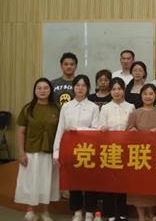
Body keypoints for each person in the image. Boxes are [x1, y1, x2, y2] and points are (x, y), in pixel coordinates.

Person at [53, 74, 100, 221]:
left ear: (88, 88)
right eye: (77, 85)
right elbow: (60, 129)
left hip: (88, 150)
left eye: (84, 85)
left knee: (90, 182)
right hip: (70, 150)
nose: (80, 88)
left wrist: (78, 130)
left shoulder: (93, 107)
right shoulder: (66, 106)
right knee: (74, 181)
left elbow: (96, 130)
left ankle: (90, 211)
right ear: (73, 87)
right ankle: (77, 211)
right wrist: (56, 152)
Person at [15, 78, 60, 221]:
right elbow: (21, 131)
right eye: (39, 88)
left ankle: (45, 211)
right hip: (31, 151)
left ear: (50, 90)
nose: (42, 91)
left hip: (49, 152)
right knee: (30, 181)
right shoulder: (28, 108)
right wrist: (21, 152)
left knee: (47, 181)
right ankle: (30, 210)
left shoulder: (57, 108)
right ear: (34, 91)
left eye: (45, 88)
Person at [98, 77, 135, 221]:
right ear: (110, 91)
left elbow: (133, 126)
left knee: (123, 182)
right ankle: (110, 213)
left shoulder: (131, 107)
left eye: (119, 89)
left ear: (124, 90)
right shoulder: (105, 108)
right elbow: (100, 127)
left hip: (126, 150)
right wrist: (103, 128)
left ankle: (123, 212)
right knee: (109, 182)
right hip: (109, 150)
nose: (117, 92)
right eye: (114, 89)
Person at [126, 84, 156, 221]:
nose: (148, 96)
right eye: (145, 93)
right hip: (138, 156)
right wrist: (132, 131)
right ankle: (141, 216)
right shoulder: (135, 113)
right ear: (141, 96)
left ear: (155, 96)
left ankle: (151, 214)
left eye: (151, 93)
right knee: (138, 187)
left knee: (152, 187)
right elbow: (128, 132)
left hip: (155, 156)